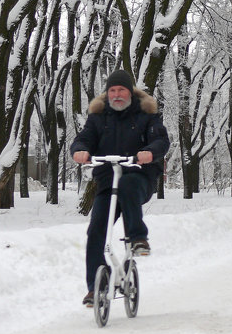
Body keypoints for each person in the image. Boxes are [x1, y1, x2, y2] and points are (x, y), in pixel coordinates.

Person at [71, 69, 170, 307]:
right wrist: (79, 150)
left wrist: (150, 152)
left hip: (139, 179)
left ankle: (138, 238)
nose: (116, 95)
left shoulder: (147, 115)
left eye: (121, 90)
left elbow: (161, 140)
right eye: (112, 90)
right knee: (96, 230)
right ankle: (95, 288)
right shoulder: (98, 117)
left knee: (127, 183)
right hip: (107, 181)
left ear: (130, 93)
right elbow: (84, 138)